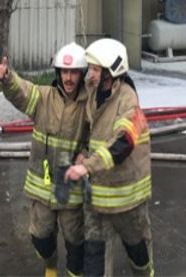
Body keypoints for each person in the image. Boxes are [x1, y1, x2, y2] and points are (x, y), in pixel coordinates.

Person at [0, 42, 90, 277]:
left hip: (71, 188)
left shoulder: (89, 105)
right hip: (42, 186)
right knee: (40, 236)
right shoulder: (44, 98)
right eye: (64, 71)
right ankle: (50, 266)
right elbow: (22, 92)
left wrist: (87, 154)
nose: (69, 78)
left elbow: (99, 136)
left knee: (75, 241)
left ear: (82, 74)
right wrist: (7, 79)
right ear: (58, 73)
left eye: (73, 72)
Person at [64, 38, 153, 277]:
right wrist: (83, 152)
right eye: (90, 68)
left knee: (138, 253)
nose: (89, 74)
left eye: (94, 69)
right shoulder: (93, 95)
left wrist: (87, 167)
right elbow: (91, 133)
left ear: (109, 73)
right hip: (97, 197)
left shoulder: (128, 101)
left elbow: (124, 142)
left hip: (127, 199)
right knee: (94, 256)